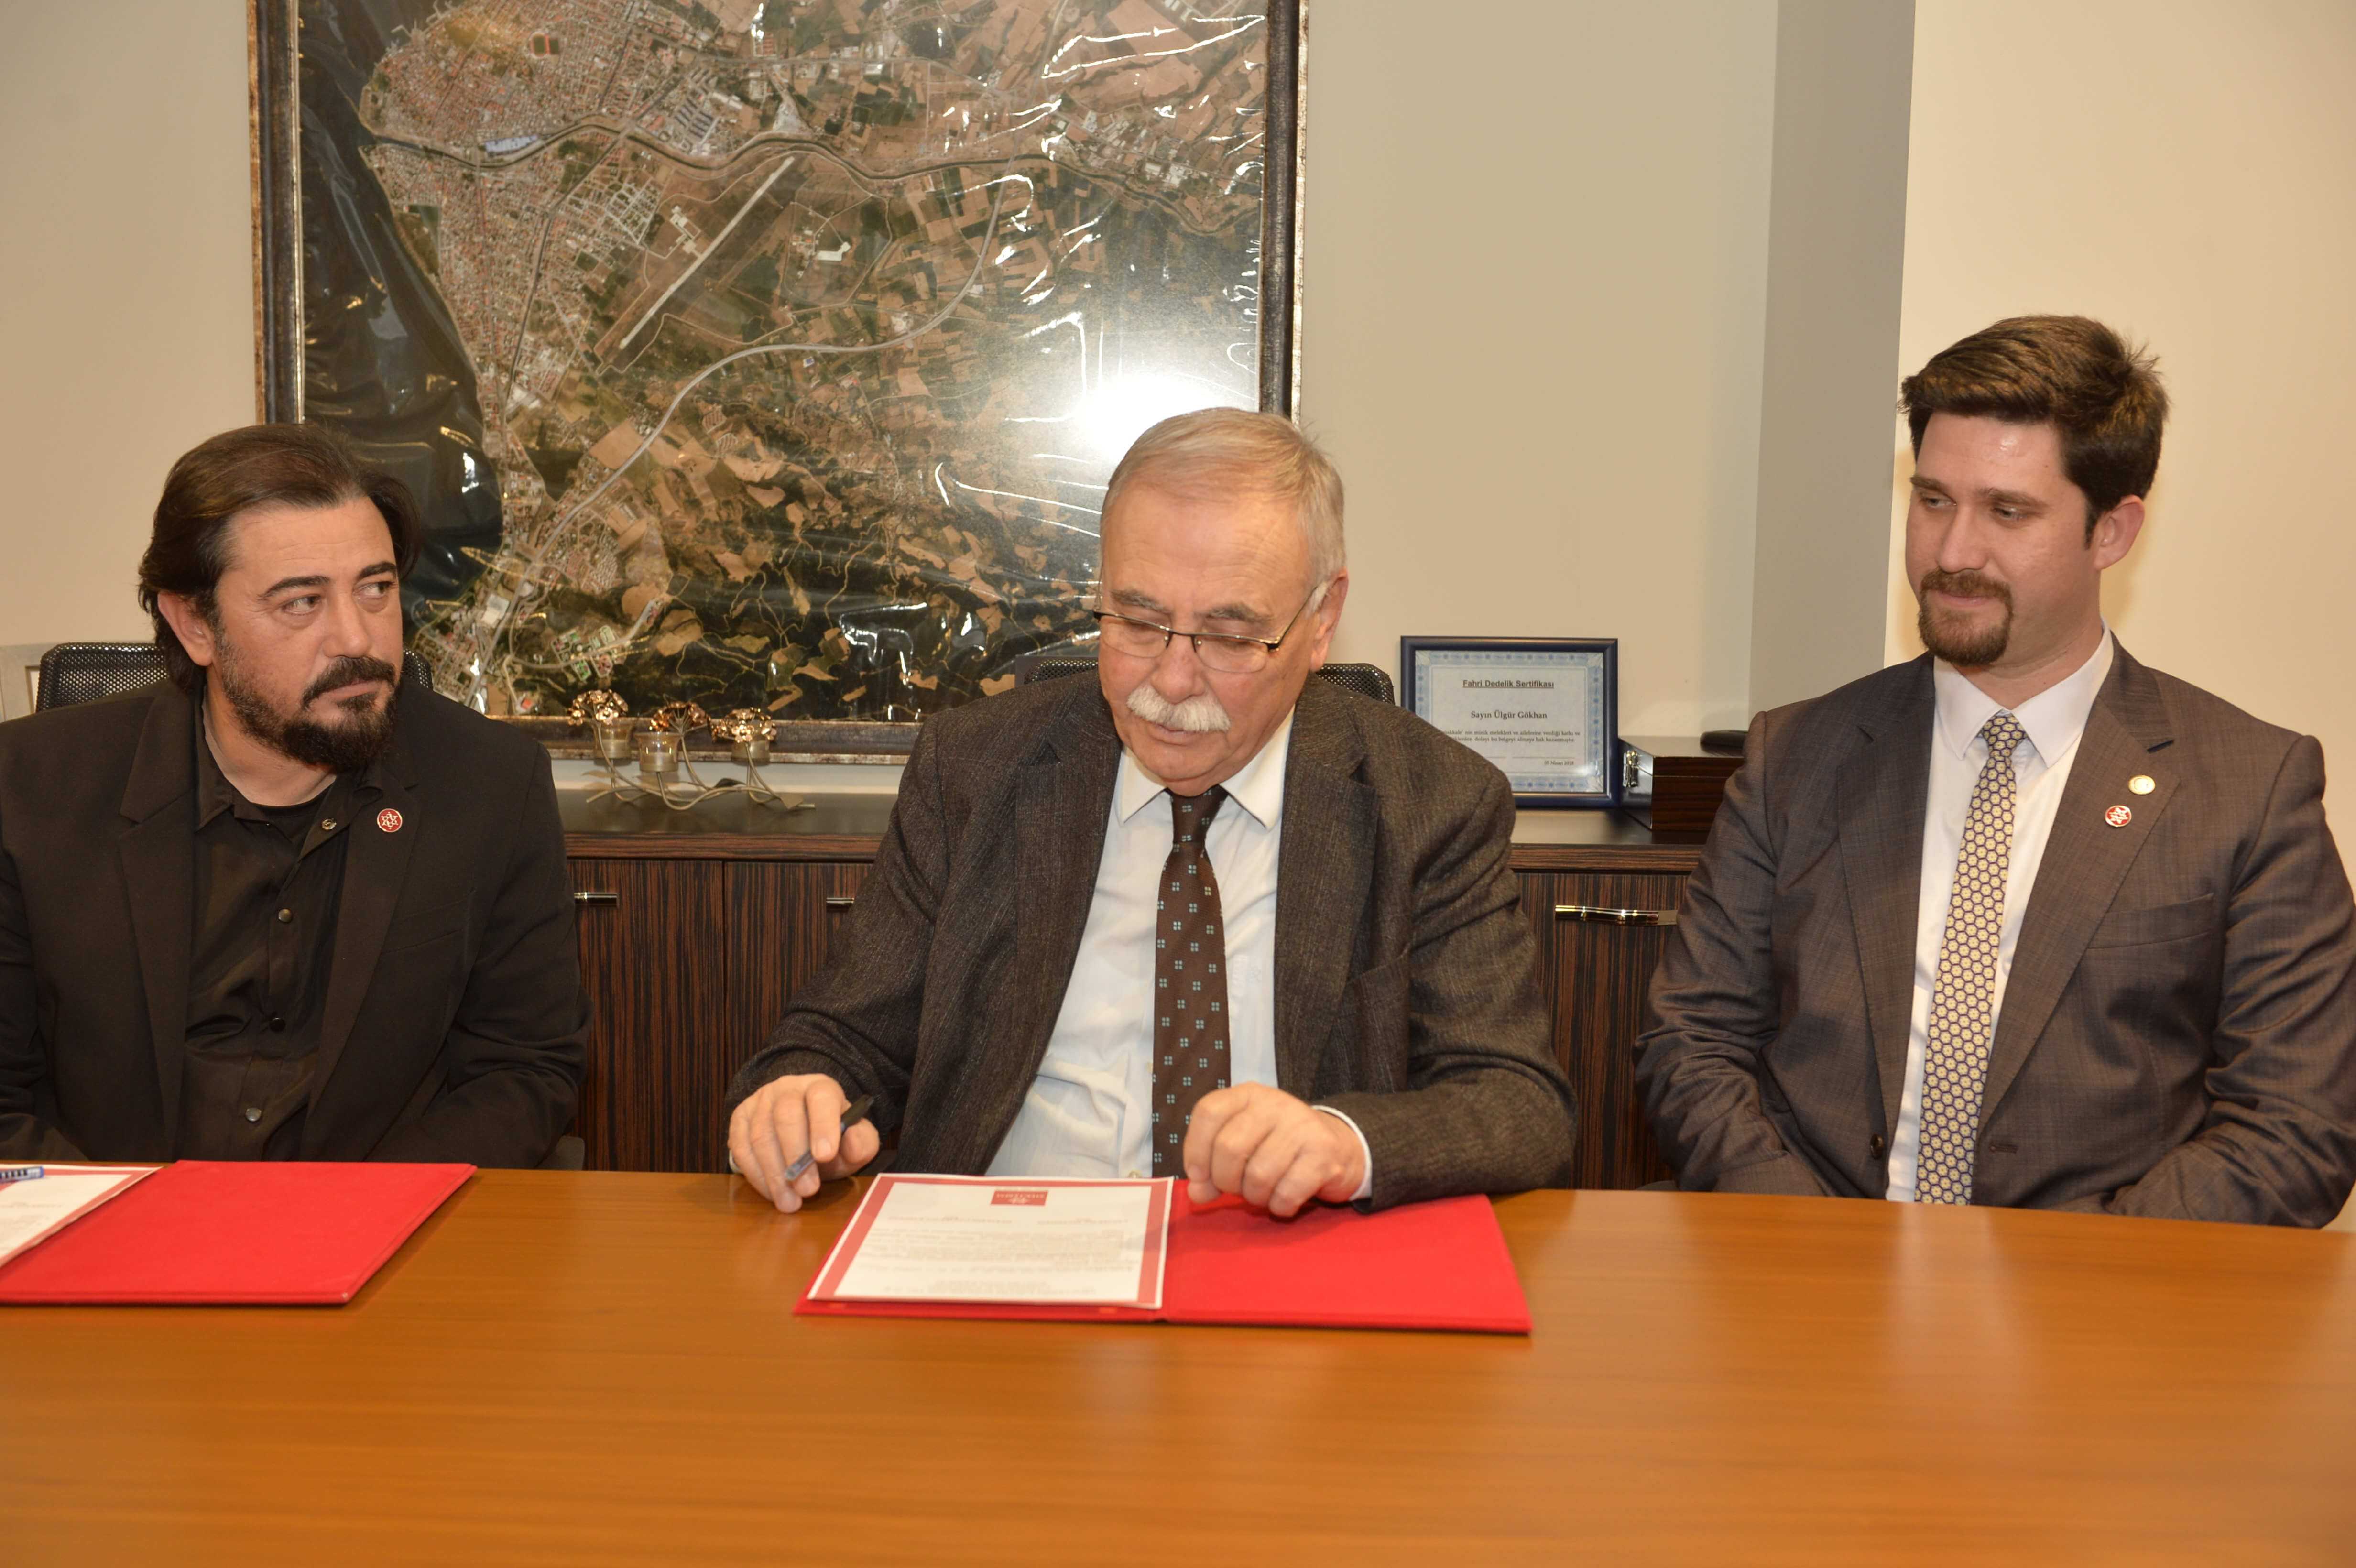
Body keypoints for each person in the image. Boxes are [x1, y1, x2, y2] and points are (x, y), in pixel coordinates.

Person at [725, 408, 1575, 1214]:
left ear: (1322, 622)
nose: (1170, 682)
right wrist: (798, 1098)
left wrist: (1343, 1143)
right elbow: (840, 1041)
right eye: (1137, 622)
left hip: (1281, 1261)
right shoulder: (973, 772)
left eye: (1230, 637)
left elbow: (1517, 1102)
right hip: (1005, 1246)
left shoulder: (1431, 800)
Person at [1638, 315, 2356, 1225]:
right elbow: (1692, 1043)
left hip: (2097, 1285)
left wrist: (2071, 1281)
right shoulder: (1798, 755)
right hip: (1813, 1256)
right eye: (1934, 500)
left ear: (2112, 532)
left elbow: (2293, 1126)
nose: (1952, 554)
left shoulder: (2249, 787)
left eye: (2007, 512)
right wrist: (1818, 1250)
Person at [0, 424, 587, 1166]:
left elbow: (525, 1069)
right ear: (195, 625)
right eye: (303, 602)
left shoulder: (491, 782)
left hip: (385, 1220)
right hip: (119, 1217)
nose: (357, 639)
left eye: (376, 589)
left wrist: (361, 1218)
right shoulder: (28, 790)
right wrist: (132, 1222)